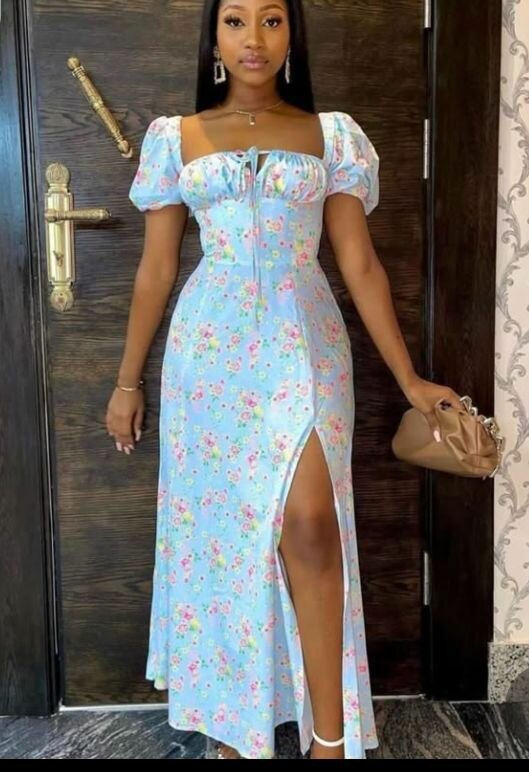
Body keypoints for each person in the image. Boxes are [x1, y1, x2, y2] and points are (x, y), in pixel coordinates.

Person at [105, 0, 461, 760]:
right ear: (214, 38)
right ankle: (235, 729)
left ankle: (328, 741)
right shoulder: (176, 137)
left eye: (271, 20)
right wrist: (127, 382)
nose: (253, 39)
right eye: (235, 21)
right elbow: (157, 269)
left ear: (292, 34)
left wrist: (409, 380)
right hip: (208, 354)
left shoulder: (331, 134)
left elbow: (358, 262)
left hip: (306, 345)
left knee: (310, 524)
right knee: (224, 538)